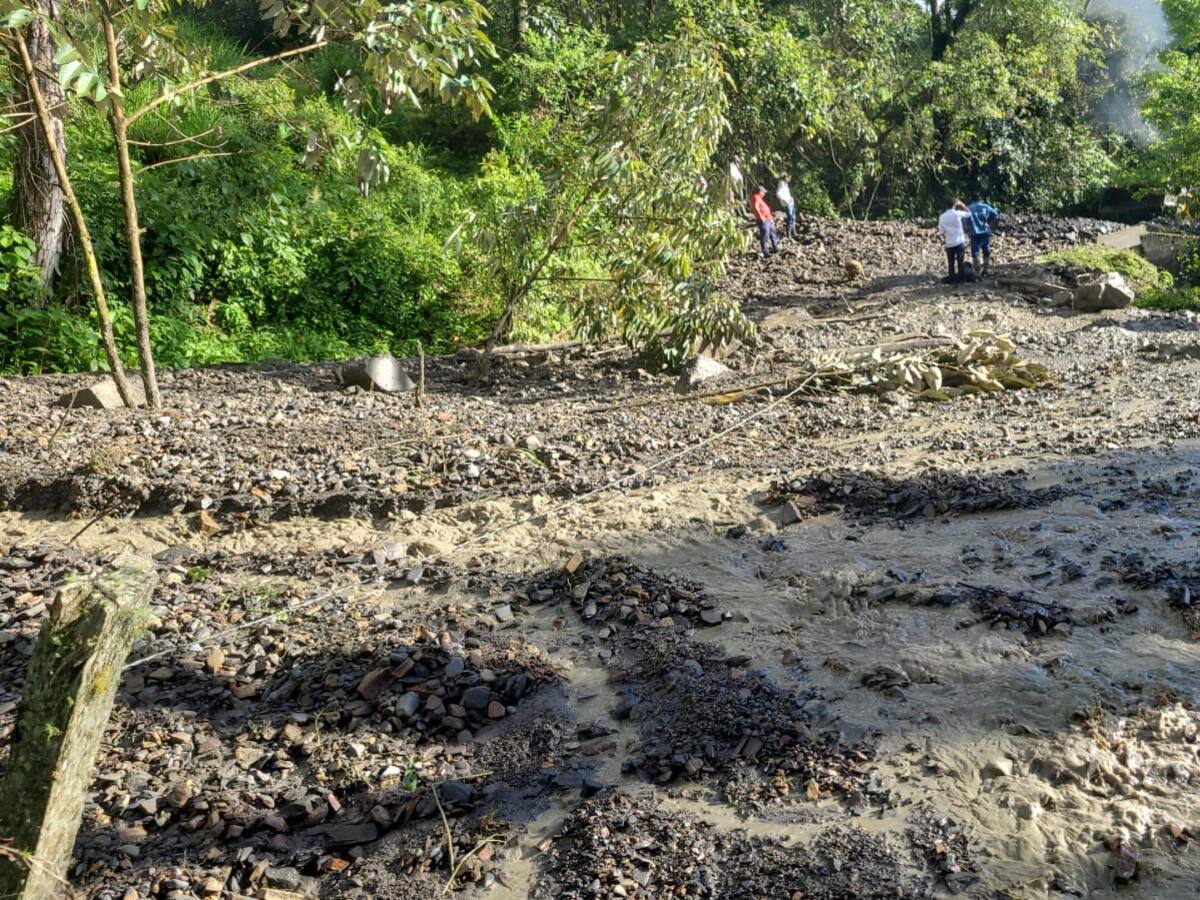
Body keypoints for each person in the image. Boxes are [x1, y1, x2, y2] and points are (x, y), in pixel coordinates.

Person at [967, 194, 1000, 276]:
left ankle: (977, 272)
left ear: (971, 199)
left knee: (975, 252)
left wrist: (967, 229)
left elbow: (965, 220)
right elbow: (995, 214)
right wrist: (990, 224)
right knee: (986, 251)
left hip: (974, 233)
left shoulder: (969, 208)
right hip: (985, 232)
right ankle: (986, 270)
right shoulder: (985, 206)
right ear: (979, 199)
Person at [937, 199, 970, 280]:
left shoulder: (942, 217)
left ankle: (952, 278)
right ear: (955, 205)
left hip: (949, 242)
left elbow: (941, 231)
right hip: (959, 241)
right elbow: (969, 214)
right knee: (960, 261)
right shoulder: (957, 213)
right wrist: (963, 205)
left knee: (951, 263)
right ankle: (961, 278)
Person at [751, 186, 780, 257]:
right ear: (760, 192)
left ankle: (775, 248)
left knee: (773, 233)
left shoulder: (760, 198)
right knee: (765, 235)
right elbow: (755, 207)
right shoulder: (756, 197)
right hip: (763, 220)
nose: (764, 193)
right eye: (763, 192)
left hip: (768, 219)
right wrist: (760, 216)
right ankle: (766, 252)